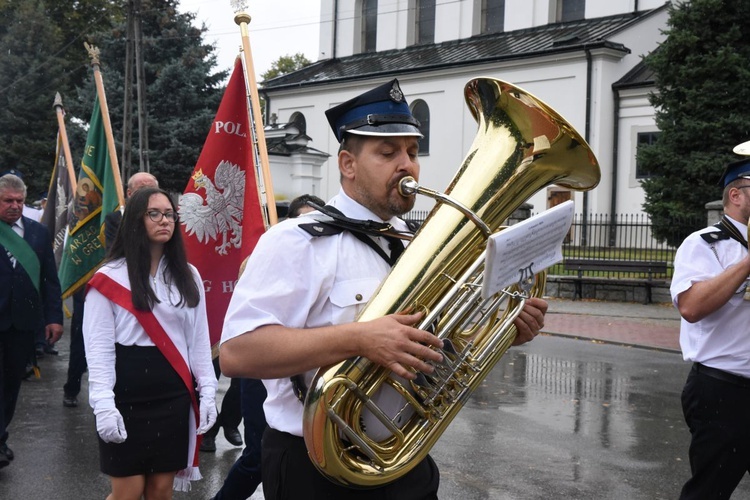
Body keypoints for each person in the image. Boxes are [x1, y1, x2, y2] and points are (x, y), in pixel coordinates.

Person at [219, 79, 548, 499]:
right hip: (315, 468)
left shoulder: (421, 242)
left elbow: (442, 345)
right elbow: (236, 353)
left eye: (412, 152)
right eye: (387, 152)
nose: (406, 165)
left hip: (403, 459)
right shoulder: (298, 241)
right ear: (347, 164)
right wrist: (360, 339)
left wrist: (505, 331)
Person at [82, 187, 218, 495]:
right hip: (126, 395)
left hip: (172, 396)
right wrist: (103, 404)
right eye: (154, 214)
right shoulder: (109, 277)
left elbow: (199, 340)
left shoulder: (189, 275)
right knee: (127, 492)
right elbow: (99, 350)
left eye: (169, 214)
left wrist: (208, 392)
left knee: (160, 491)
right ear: (134, 220)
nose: (164, 221)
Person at [210, 193, 324, 500]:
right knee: (257, 456)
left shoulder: (326, 257)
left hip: (304, 374)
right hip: (266, 369)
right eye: (303, 219)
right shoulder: (265, 255)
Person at [671, 157, 750, 500]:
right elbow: (691, 307)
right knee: (709, 492)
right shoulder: (704, 243)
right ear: (736, 194)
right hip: (723, 391)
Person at [63, 171, 159, 408]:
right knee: (85, 340)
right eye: (141, 188)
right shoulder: (115, 219)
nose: (147, 194)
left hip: (147, 289)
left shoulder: (163, 218)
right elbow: (120, 253)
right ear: (128, 193)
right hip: (109, 289)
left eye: (152, 188)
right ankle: (72, 387)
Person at [0, 174, 64, 469]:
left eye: (19, 201)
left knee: (12, 383)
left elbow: (50, 280)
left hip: (23, 325)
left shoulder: (38, 233)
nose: (14, 206)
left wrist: (53, 318)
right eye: (8, 201)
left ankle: (0, 437)